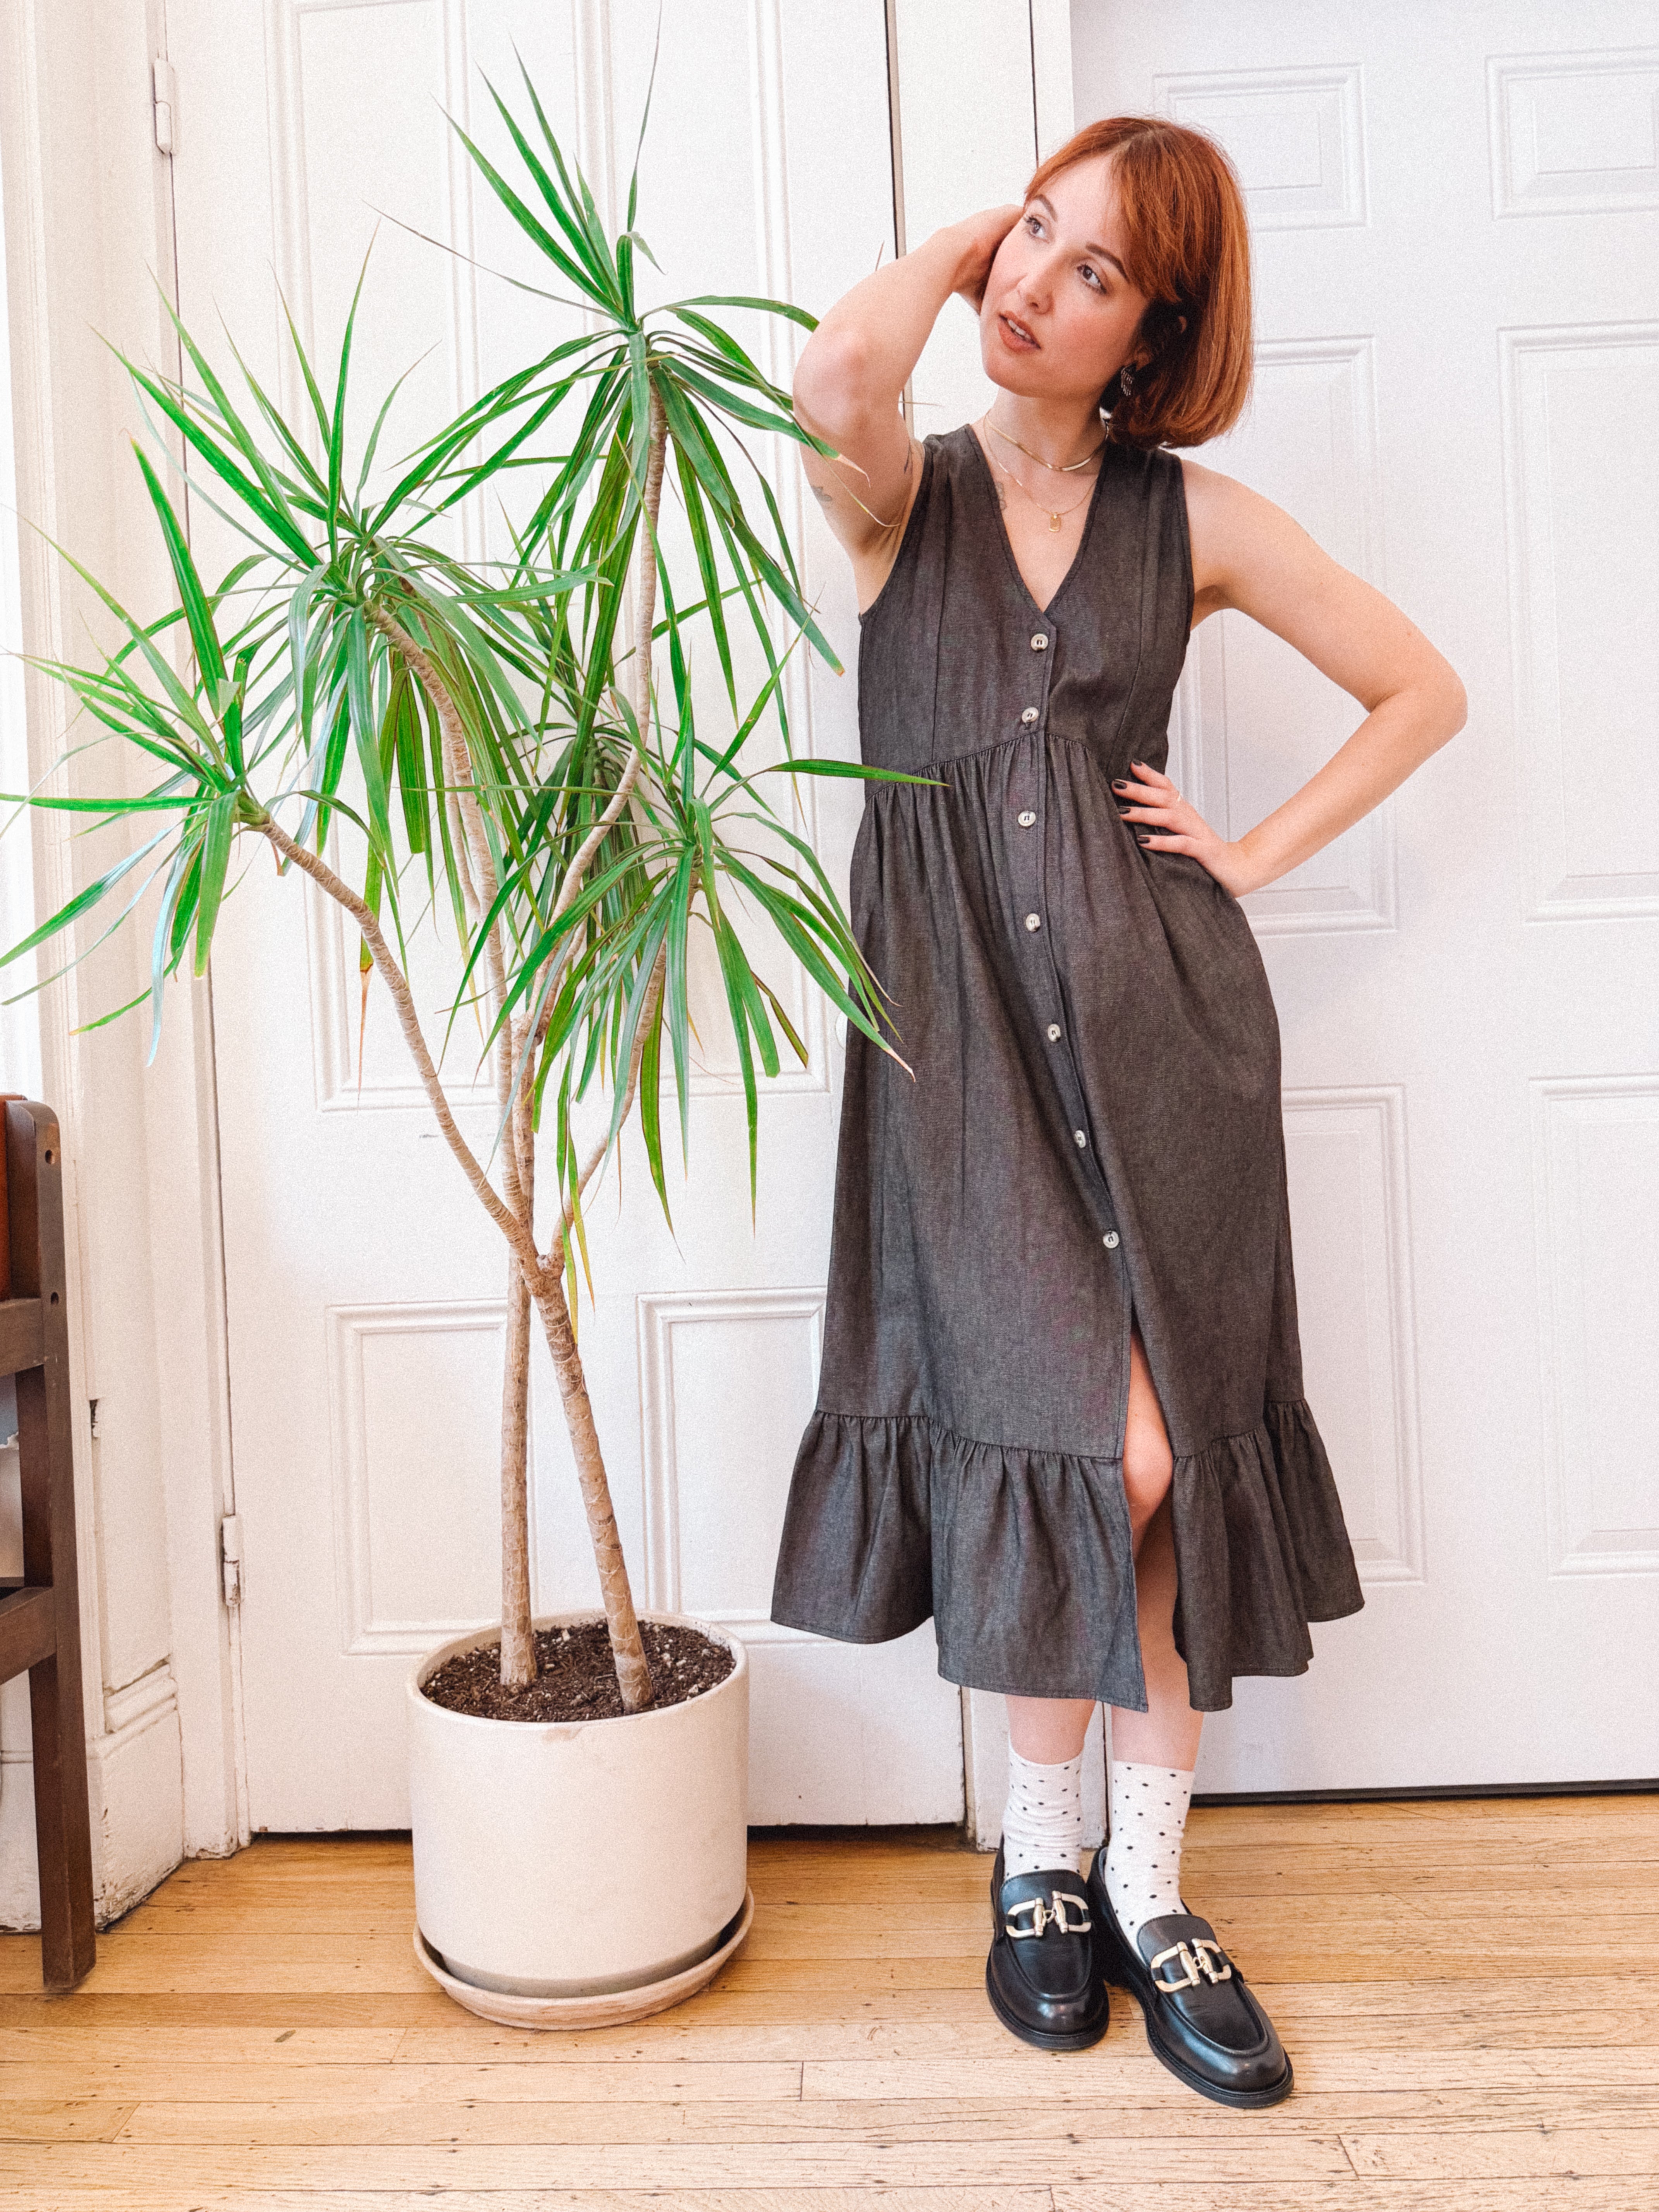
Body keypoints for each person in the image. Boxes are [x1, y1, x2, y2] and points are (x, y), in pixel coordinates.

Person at [768, 117, 1465, 2106]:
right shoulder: (908, 495)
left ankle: (1125, 1887)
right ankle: (1047, 1862)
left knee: (1153, 1462)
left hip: (1165, 1053)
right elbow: (833, 374)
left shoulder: (1201, 521)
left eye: (1090, 273)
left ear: (1155, 337)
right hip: (964, 1067)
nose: (1028, 287)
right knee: (1075, 1452)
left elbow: (1421, 691)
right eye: (1035, 239)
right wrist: (989, 223)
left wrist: (1247, 854)